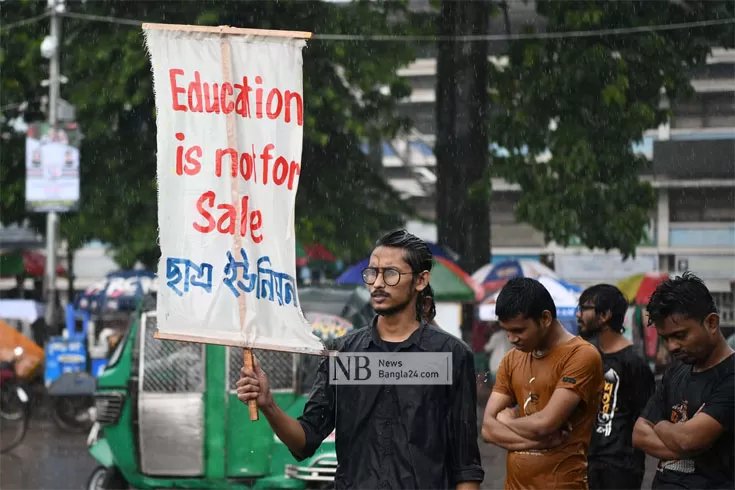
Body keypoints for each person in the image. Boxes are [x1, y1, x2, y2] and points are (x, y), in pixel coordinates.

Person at [237, 229, 485, 489]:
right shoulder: (342, 355)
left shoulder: (450, 357)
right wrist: (269, 405)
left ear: (421, 280)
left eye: (390, 273)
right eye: (372, 273)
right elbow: (305, 442)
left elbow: (465, 464)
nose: (377, 283)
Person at [481, 277, 604, 490]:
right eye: (506, 330)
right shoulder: (511, 359)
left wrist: (506, 420)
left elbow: (545, 424)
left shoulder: (581, 355)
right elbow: (488, 430)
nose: (511, 338)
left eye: (519, 330)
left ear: (545, 318)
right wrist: (542, 441)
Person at [632, 272, 734, 489]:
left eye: (680, 335)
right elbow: (639, 434)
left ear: (712, 323)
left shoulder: (731, 376)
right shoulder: (676, 370)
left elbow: (689, 439)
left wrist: (658, 422)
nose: (672, 347)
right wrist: (681, 441)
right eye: (665, 338)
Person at [577, 284, 656, 490]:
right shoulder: (589, 356)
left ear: (604, 315)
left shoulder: (634, 363)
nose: (578, 315)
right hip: (588, 462)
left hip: (621, 469)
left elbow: (647, 418)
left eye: (584, 308)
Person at [484, 322, 512, 387]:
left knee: (497, 389)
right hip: (509, 366)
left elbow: (487, 349)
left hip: (497, 367)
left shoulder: (495, 336)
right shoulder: (511, 335)